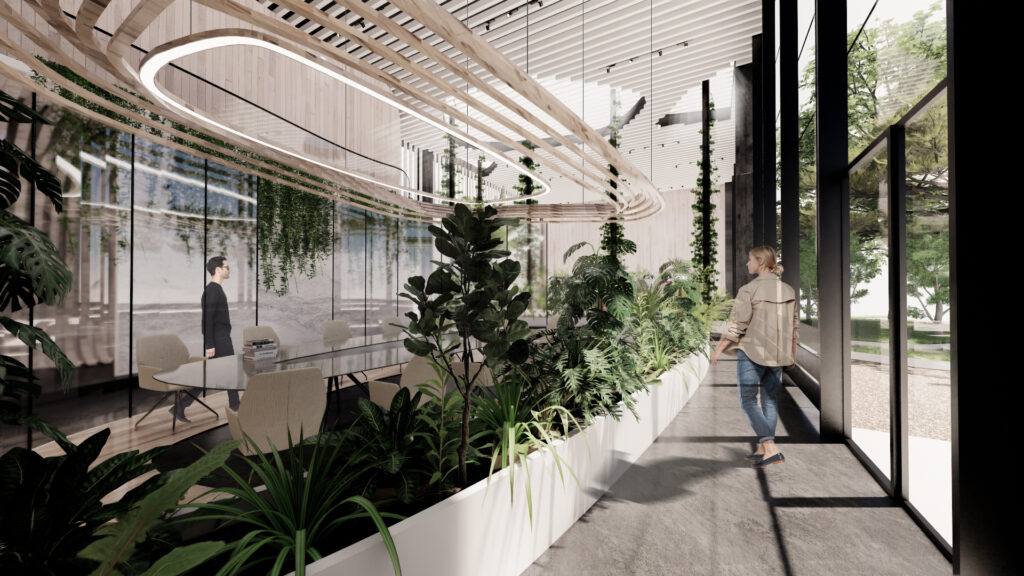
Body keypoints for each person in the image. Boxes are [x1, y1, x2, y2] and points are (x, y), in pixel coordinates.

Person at [710, 246, 799, 468]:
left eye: (750, 260)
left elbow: (737, 325)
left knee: (748, 400)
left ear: (760, 261)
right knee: (769, 398)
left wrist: (719, 349)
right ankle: (764, 447)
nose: (747, 264)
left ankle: (770, 446)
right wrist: (792, 355)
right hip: (778, 354)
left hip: (752, 352)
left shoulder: (748, 290)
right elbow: (794, 326)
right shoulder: (788, 290)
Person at [172, 255, 239, 422]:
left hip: (222, 337)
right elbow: (206, 320)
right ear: (218, 269)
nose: (229, 270)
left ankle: (180, 406)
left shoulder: (216, 289)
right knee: (230, 372)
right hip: (219, 339)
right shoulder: (212, 291)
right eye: (227, 267)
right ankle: (236, 407)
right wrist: (210, 344)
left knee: (210, 375)